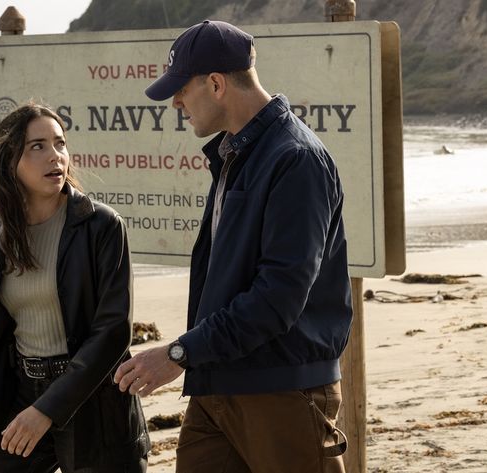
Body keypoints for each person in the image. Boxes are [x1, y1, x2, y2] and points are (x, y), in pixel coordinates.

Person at [114, 20, 353, 473]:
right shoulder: (234, 153)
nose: (176, 103)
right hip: (217, 384)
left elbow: (277, 298)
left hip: (282, 390)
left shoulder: (295, 159)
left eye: (181, 90)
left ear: (217, 84)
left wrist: (179, 354)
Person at [0, 103, 150, 473]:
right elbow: (11, 325)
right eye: (37, 146)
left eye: (60, 144)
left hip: (94, 399)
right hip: (25, 391)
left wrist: (48, 410)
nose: (55, 156)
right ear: (10, 160)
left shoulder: (101, 226)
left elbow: (112, 332)